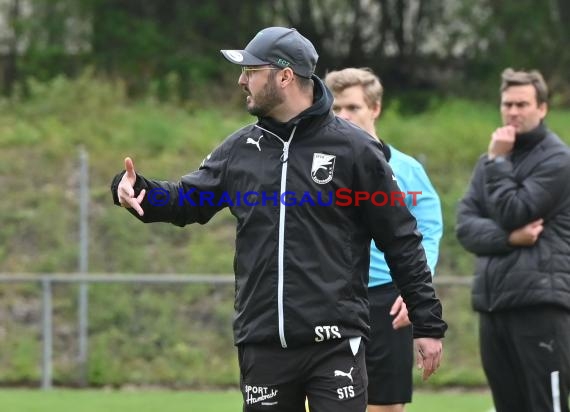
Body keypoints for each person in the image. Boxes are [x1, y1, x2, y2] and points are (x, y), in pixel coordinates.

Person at [111, 26, 447, 412]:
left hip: (335, 342)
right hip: (263, 343)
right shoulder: (241, 149)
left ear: (285, 76)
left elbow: (401, 239)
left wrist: (427, 323)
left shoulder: (356, 149)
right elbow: (187, 200)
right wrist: (133, 190)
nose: (241, 80)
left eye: (251, 71)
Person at [324, 68, 443, 412]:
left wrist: (416, 286)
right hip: (332, 297)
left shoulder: (406, 170)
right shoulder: (319, 168)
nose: (343, 116)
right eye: (336, 109)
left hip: (388, 299)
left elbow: (429, 230)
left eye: (352, 108)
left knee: (386, 405)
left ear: (375, 109)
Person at [456, 68, 570, 412]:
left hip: (540, 305)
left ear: (543, 108)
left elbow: (514, 211)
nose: (513, 112)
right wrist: (509, 238)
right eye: (507, 104)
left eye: (522, 104)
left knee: (545, 406)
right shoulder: (490, 161)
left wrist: (499, 160)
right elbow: (465, 226)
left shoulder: (557, 160)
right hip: (494, 306)